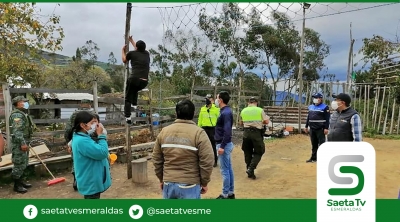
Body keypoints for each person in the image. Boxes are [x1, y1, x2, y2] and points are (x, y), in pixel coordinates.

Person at [152, 99, 214, 199]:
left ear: (176, 113)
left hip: (168, 184)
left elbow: (156, 159)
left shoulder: (164, 132)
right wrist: (204, 182)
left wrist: (161, 178)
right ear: (193, 113)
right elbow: (207, 160)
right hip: (190, 185)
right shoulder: (199, 133)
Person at [67, 111, 111, 199]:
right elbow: (102, 153)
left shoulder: (82, 136)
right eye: (92, 123)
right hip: (91, 181)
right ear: (83, 125)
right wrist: (101, 135)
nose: (95, 125)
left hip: (91, 179)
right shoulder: (82, 141)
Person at [64, 99, 94, 191]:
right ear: (89, 104)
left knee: (76, 160)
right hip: (91, 140)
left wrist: (68, 142)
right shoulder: (92, 114)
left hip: (75, 139)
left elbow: (68, 129)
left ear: (81, 104)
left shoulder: (74, 114)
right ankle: (88, 181)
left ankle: (76, 181)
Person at [9, 96, 36, 193]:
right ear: (19, 103)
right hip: (19, 143)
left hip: (24, 141)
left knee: (24, 163)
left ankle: (21, 181)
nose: (26, 103)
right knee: (19, 163)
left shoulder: (23, 114)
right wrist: (23, 143)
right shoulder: (17, 115)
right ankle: (17, 185)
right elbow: (17, 131)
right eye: (24, 101)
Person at [239, 97, 269, 179]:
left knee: (247, 151)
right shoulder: (259, 110)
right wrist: (259, 122)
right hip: (256, 133)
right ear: (256, 103)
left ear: (249, 103)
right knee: (259, 151)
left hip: (246, 133)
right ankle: (251, 168)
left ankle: (249, 171)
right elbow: (266, 121)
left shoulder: (243, 110)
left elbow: (241, 123)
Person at [122, 36, 150, 125]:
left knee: (127, 98)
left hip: (134, 79)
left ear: (136, 48)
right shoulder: (147, 54)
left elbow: (124, 60)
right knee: (135, 89)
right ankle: (134, 104)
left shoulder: (131, 54)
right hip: (144, 82)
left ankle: (128, 117)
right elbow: (138, 49)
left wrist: (122, 50)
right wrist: (131, 41)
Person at [214, 91, 235, 199]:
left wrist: (222, 146)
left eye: (217, 98)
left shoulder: (225, 113)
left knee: (224, 170)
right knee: (229, 168)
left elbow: (227, 131)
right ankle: (231, 192)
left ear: (220, 100)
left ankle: (225, 194)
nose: (216, 100)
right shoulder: (224, 111)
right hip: (224, 143)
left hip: (223, 144)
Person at [304, 93, 330, 163]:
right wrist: (306, 126)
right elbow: (308, 117)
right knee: (314, 144)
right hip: (312, 128)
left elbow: (327, 118)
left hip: (320, 128)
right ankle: (313, 158)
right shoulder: (310, 107)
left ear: (320, 99)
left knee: (321, 144)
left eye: (317, 97)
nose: (315, 99)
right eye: (314, 97)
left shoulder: (325, 107)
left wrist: (326, 128)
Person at [197, 94, 220, 167]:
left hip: (213, 129)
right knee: (202, 146)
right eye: (206, 99)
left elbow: (219, 120)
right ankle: (203, 161)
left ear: (212, 100)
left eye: (208, 99)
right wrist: (198, 128)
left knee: (213, 145)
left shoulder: (216, 109)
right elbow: (200, 119)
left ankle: (215, 161)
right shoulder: (202, 109)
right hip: (204, 129)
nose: (206, 100)